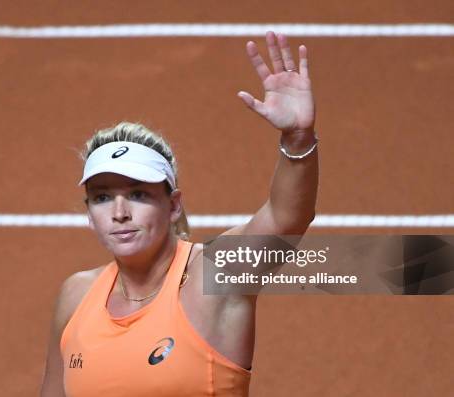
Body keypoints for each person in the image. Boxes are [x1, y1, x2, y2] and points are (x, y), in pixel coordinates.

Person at [40, 31, 318, 396]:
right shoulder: (76, 296)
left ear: (173, 205)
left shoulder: (215, 277)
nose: (120, 212)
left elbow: (286, 219)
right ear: (89, 213)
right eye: (103, 197)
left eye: (138, 194)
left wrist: (297, 139)